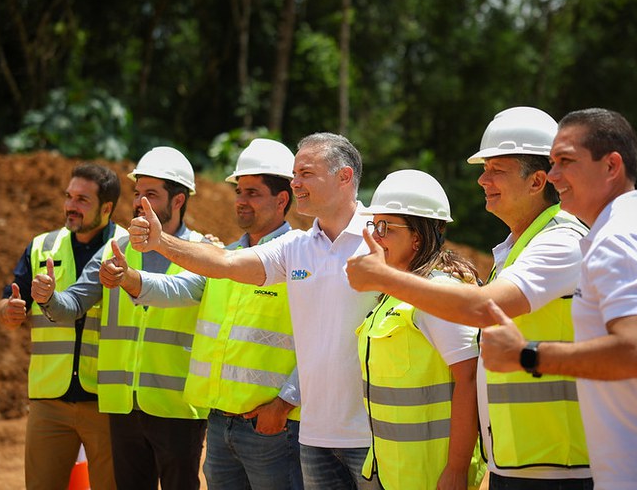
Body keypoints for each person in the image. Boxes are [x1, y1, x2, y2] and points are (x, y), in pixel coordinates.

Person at [346, 107, 593, 489]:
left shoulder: (562, 241)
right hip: (518, 460)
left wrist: (385, 278)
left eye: (496, 169)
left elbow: (483, 309)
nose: (482, 179)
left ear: (537, 181)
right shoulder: (516, 250)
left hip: (559, 465)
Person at [480, 108, 637, 490]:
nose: (554, 175)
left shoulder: (620, 239)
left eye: (565, 162)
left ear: (611, 166)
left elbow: (635, 350)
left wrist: (525, 354)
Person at [128, 132, 381, 489]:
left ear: (344, 177)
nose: (296, 184)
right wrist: (161, 243)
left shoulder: (381, 239)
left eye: (305, 174)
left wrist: (283, 403)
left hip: (354, 432)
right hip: (307, 431)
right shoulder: (297, 247)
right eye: (294, 175)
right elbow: (227, 262)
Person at [100, 139, 303, 489]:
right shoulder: (224, 255)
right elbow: (178, 289)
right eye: (239, 191)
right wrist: (130, 278)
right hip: (221, 426)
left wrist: (285, 403)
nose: (241, 200)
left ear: (281, 199)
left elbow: (321, 339)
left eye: (252, 192)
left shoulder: (300, 258)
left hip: (271, 429)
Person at [33, 146, 209, 490]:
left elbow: (176, 290)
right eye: (138, 193)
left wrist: (130, 280)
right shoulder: (118, 248)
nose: (140, 202)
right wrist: (48, 298)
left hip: (177, 408)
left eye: (151, 194)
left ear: (178, 201)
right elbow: (74, 304)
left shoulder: (202, 251)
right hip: (122, 407)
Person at [352, 169, 486, 490]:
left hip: (431, 472)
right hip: (391, 468)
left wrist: (455, 469)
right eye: (373, 225)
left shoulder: (437, 292)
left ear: (418, 236)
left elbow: (468, 378)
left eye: (386, 227)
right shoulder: (395, 291)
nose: (375, 237)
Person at [0, 163, 122, 490]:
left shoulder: (130, 249)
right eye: (69, 196)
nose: (70, 205)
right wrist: (10, 311)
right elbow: (9, 299)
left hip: (108, 400)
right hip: (49, 399)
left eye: (82, 199)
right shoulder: (42, 247)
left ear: (106, 208)